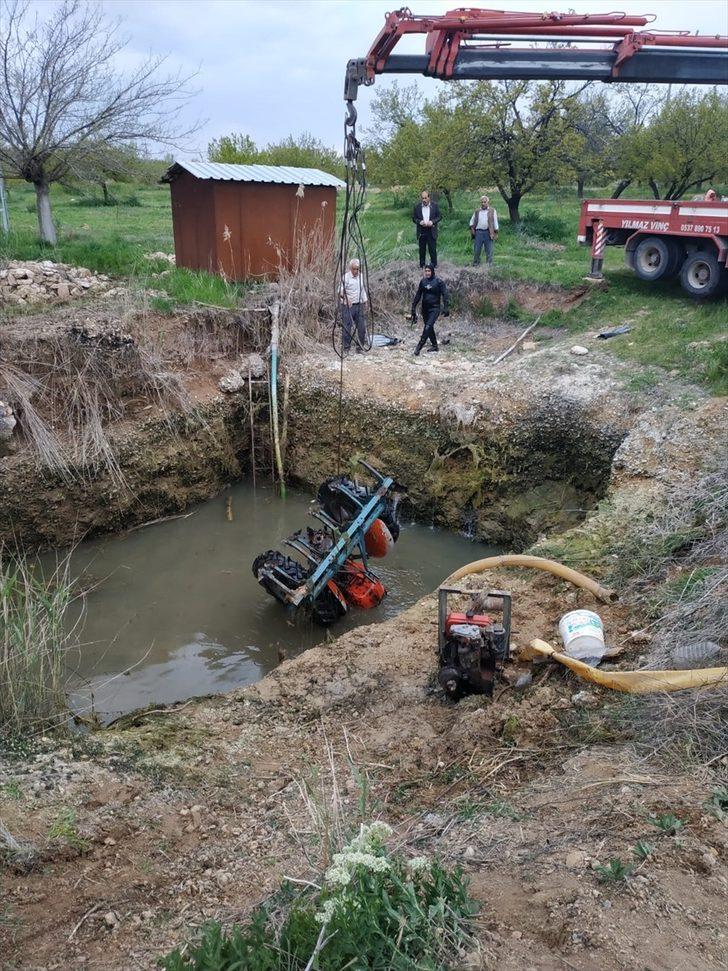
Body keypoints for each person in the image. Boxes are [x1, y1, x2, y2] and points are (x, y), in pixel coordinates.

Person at [411, 264, 449, 356]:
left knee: (427, 326)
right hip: (425, 308)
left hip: (435, 308)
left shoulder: (439, 282)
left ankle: (419, 347)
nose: (427, 273)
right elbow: (418, 295)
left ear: (432, 271)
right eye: (426, 271)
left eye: (429, 271)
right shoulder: (423, 282)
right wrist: (413, 307)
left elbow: (445, 295)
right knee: (429, 327)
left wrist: (446, 307)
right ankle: (435, 346)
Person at [339, 258, 368, 353]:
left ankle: (360, 348)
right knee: (347, 327)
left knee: (362, 327)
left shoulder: (361, 276)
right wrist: (346, 299)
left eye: (358, 269)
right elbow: (340, 291)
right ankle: (346, 348)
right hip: (348, 306)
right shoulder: (345, 277)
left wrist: (365, 301)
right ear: (350, 268)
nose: (356, 271)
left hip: (358, 305)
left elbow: (362, 289)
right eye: (354, 269)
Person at [412, 190, 440, 268]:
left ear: (429, 198)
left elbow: (439, 216)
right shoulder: (417, 207)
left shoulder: (435, 205)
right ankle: (422, 265)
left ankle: (434, 265)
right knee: (422, 249)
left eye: (425, 198)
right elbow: (414, 218)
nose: (424, 200)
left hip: (431, 230)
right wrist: (420, 222)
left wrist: (432, 222)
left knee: (432, 248)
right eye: (422, 198)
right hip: (422, 230)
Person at [469, 195, 499, 265]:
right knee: (477, 250)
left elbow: (495, 221)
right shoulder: (477, 211)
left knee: (489, 250)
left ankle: (489, 265)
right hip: (478, 232)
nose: (483, 203)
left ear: (488, 202)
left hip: (489, 232)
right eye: (482, 202)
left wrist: (496, 232)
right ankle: (476, 264)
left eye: (485, 202)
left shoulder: (492, 211)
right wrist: (472, 229)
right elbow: (471, 221)